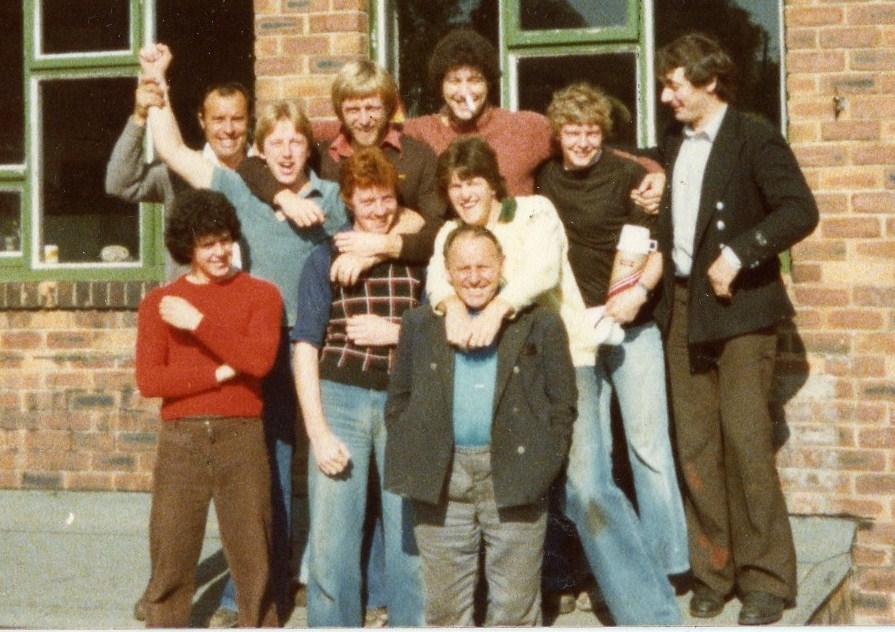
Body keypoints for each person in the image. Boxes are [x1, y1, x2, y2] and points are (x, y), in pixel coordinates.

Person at [425, 136, 682, 625]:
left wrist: (497, 305)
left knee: (587, 487)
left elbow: (541, 270)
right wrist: (451, 303)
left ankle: (653, 616)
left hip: (566, 359)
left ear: (493, 182)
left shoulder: (533, 212)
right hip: (500, 378)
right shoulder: (448, 235)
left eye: (472, 182)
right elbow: (440, 278)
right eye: (454, 186)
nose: (464, 194)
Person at [138, 42, 350, 626]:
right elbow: (173, 149)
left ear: (309, 148)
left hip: (315, 346)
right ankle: (253, 595)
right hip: (255, 345)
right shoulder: (238, 186)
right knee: (266, 473)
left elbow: (385, 222)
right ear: (260, 150)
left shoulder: (332, 200)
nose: (286, 153)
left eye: (296, 142)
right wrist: (156, 80)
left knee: (336, 462)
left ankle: (338, 585)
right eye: (275, 143)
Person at [652, 33, 818, 625]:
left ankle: (766, 580)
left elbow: (800, 209)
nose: (666, 95)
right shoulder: (673, 143)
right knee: (695, 446)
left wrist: (741, 252)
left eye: (674, 83)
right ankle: (712, 572)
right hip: (681, 309)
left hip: (742, 311)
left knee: (747, 443)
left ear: (709, 82)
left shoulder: (753, 137)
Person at [536, 82, 689, 597]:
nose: (581, 142)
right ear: (557, 135)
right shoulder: (544, 180)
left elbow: (660, 246)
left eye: (591, 131)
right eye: (572, 132)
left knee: (648, 448)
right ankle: (607, 570)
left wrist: (639, 292)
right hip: (577, 334)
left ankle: (670, 566)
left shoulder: (629, 175)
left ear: (604, 133)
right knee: (590, 463)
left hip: (632, 326)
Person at [384, 224, 577, 626]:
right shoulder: (420, 324)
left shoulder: (540, 323)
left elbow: (563, 403)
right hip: (441, 478)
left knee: (514, 607)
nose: (474, 277)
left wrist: (543, 464)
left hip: (514, 473)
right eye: (464, 268)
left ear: (502, 266)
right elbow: (398, 399)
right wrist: (416, 447)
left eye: (484, 266)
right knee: (445, 610)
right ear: (447, 273)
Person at [135, 189, 281, 628]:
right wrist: (218, 374)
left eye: (223, 240)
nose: (218, 252)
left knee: (252, 552)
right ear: (188, 248)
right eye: (206, 244)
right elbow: (150, 382)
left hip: (241, 433)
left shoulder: (262, 295)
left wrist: (197, 322)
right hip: (182, 438)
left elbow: (258, 361)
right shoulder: (160, 303)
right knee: (171, 551)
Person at [292, 147, 424, 628]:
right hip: (340, 400)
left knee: (410, 534)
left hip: (402, 403)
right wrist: (318, 431)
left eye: (386, 198)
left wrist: (397, 333)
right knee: (331, 542)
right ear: (349, 201)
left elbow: (439, 330)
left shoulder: (416, 256)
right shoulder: (323, 258)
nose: (378, 210)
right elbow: (305, 346)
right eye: (367, 201)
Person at [403, 28, 664, 202]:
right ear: (440, 84)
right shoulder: (420, 132)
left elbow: (588, 146)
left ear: (490, 83)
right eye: (453, 81)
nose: (464, 92)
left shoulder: (525, 127)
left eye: (474, 80)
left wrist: (652, 171)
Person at [238, 59, 444, 268]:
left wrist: (380, 248)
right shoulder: (323, 154)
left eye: (372, 108)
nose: (364, 120)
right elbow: (249, 167)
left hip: (405, 274)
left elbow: (438, 230)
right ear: (340, 112)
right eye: (353, 110)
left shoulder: (417, 156)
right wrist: (284, 197)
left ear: (389, 107)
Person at [105, 77, 251, 280]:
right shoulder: (179, 171)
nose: (228, 129)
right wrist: (139, 116)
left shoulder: (266, 173)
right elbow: (119, 184)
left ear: (249, 119)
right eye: (218, 119)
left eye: (237, 118)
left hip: (250, 303)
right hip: (189, 304)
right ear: (202, 121)